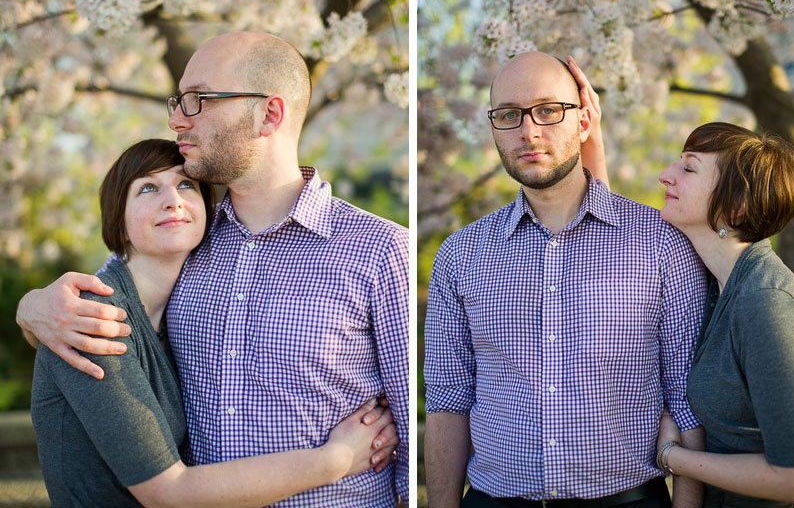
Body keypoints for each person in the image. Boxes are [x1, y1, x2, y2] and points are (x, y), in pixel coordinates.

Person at [17, 32, 409, 507]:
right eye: (179, 101)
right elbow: (102, 300)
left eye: (199, 100)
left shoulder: (381, 249)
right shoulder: (189, 244)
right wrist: (33, 308)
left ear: (270, 114)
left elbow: (409, 426)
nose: (177, 119)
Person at [423, 51, 707, 508]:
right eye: (509, 115)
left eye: (549, 110)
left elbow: (686, 393)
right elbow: (447, 398)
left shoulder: (660, 245)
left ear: (584, 120)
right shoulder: (462, 254)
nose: (528, 131)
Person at [651, 122, 794, 506]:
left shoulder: (765, 302)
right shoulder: (718, 283)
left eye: (689, 168)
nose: (666, 175)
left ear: (736, 206)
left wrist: (673, 457)